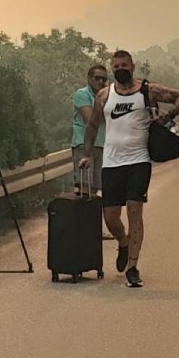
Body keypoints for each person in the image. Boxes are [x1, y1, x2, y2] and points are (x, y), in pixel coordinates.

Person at [80, 50, 179, 287]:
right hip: (111, 163)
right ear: (112, 69)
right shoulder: (103, 96)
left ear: (132, 66)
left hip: (138, 161)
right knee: (110, 217)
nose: (121, 68)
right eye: (116, 65)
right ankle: (122, 241)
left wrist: (166, 116)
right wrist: (86, 155)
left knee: (134, 209)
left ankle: (133, 267)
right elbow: (92, 126)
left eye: (124, 65)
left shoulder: (147, 91)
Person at [71, 65, 113, 240]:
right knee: (84, 188)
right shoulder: (82, 95)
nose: (101, 81)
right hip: (84, 145)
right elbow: (91, 119)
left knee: (95, 189)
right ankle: (81, 228)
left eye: (104, 79)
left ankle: (93, 229)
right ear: (89, 79)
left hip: (101, 145)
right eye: (97, 78)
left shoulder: (105, 96)